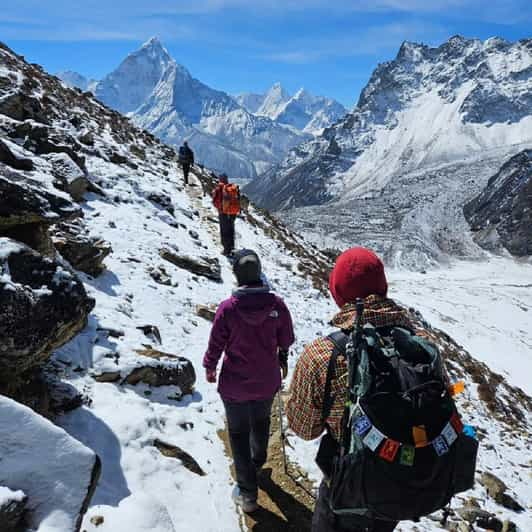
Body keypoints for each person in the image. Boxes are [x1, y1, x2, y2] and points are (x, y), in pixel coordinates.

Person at [286, 247, 412, 532]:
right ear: (383, 287)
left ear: (338, 294)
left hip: (347, 485)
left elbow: (304, 428)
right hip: (402, 480)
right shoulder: (419, 344)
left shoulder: (323, 354)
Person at [203, 249, 295, 513]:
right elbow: (286, 340)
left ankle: (248, 494)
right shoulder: (276, 305)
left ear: (237, 276)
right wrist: (280, 355)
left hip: (235, 385)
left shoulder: (228, 309)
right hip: (266, 381)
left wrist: (210, 367)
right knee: (261, 421)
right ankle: (258, 461)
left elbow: (216, 344)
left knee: (239, 433)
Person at [212, 174, 240, 256]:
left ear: (220, 179)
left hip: (223, 213)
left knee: (224, 231)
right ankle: (231, 247)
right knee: (231, 230)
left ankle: (226, 250)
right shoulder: (231, 188)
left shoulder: (219, 188)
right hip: (232, 213)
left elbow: (215, 202)